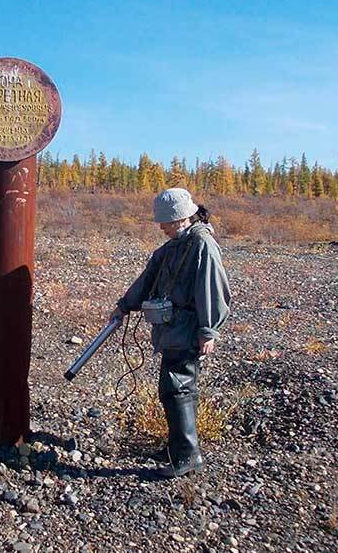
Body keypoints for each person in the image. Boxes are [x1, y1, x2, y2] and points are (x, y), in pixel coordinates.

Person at [111, 187, 231, 478]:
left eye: (165, 222)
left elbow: (212, 289)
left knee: (178, 389)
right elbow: (147, 279)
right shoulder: (170, 249)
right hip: (171, 330)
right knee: (170, 389)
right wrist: (124, 306)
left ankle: (187, 457)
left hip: (188, 330)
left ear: (181, 218)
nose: (161, 227)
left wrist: (208, 330)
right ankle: (177, 447)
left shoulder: (202, 245)